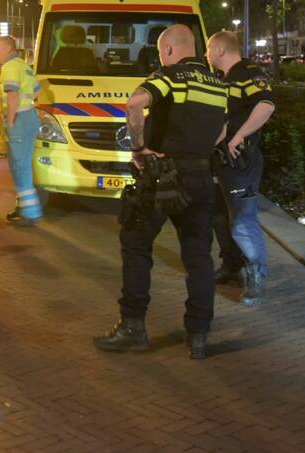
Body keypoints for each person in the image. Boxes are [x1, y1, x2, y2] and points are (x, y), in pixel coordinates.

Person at [93, 24, 227, 360]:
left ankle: (133, 327)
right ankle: (198, 334)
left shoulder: (171, 76)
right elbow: (223, 129)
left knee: (136, 244)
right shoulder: (217, 84)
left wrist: (138, 149)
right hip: (200, 177)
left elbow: (135, 103)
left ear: (167, 50)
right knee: (198, 257)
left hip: (162, 177)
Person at [207, 31, 276, 305]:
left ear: (221, 50)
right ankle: (231, 267)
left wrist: (238, 136)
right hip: (221, 160)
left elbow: (266, 105)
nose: (207, 55)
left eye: (209, 50)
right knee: (219, 216)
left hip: (240, 161)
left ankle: (256, 276)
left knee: (243, 221)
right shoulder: (224, 79)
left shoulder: (249, 73)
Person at [0, 35, 43, 226]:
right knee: (21, 165)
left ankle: (30, 211)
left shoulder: (10, 67)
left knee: (20, 168)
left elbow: (12, 94)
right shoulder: (23, 65)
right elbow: (37, 90)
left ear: (8, 49)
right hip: (30, 116)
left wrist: (11, 119)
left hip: (20, 118)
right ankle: (24, 208)